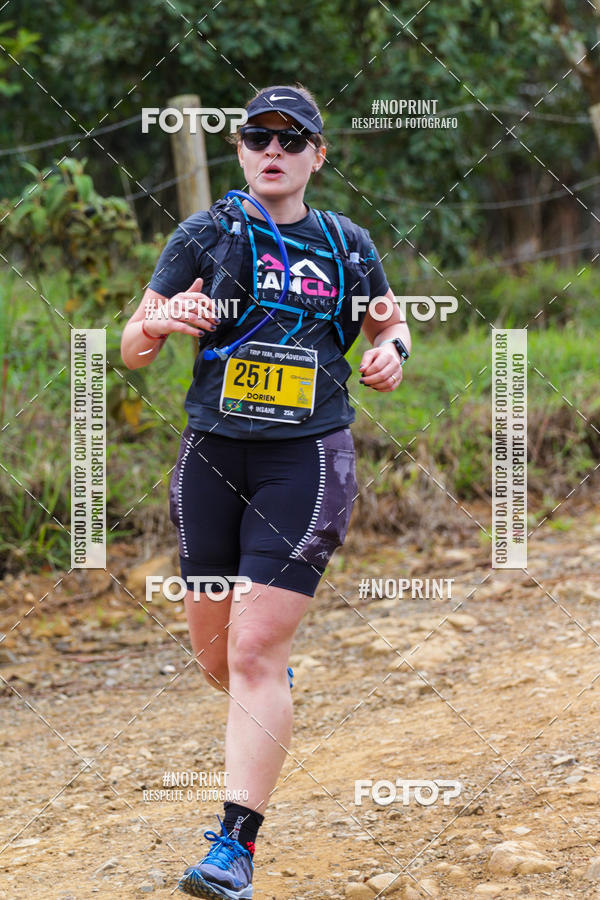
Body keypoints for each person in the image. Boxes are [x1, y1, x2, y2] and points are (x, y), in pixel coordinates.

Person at [121, 83, 411, 900]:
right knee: (220, 660)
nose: (273, 151)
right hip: (211, 459)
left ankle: (234, 849)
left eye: (291, 139)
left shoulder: (347, 244)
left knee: (252, 652)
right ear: (241, 149)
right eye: (258, 138)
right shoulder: (203, 234)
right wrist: (160, 321)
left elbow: (389, 322)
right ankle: (266, 688)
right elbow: (132, 345)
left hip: (307, 461)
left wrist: (394, 352)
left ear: (319, 154)